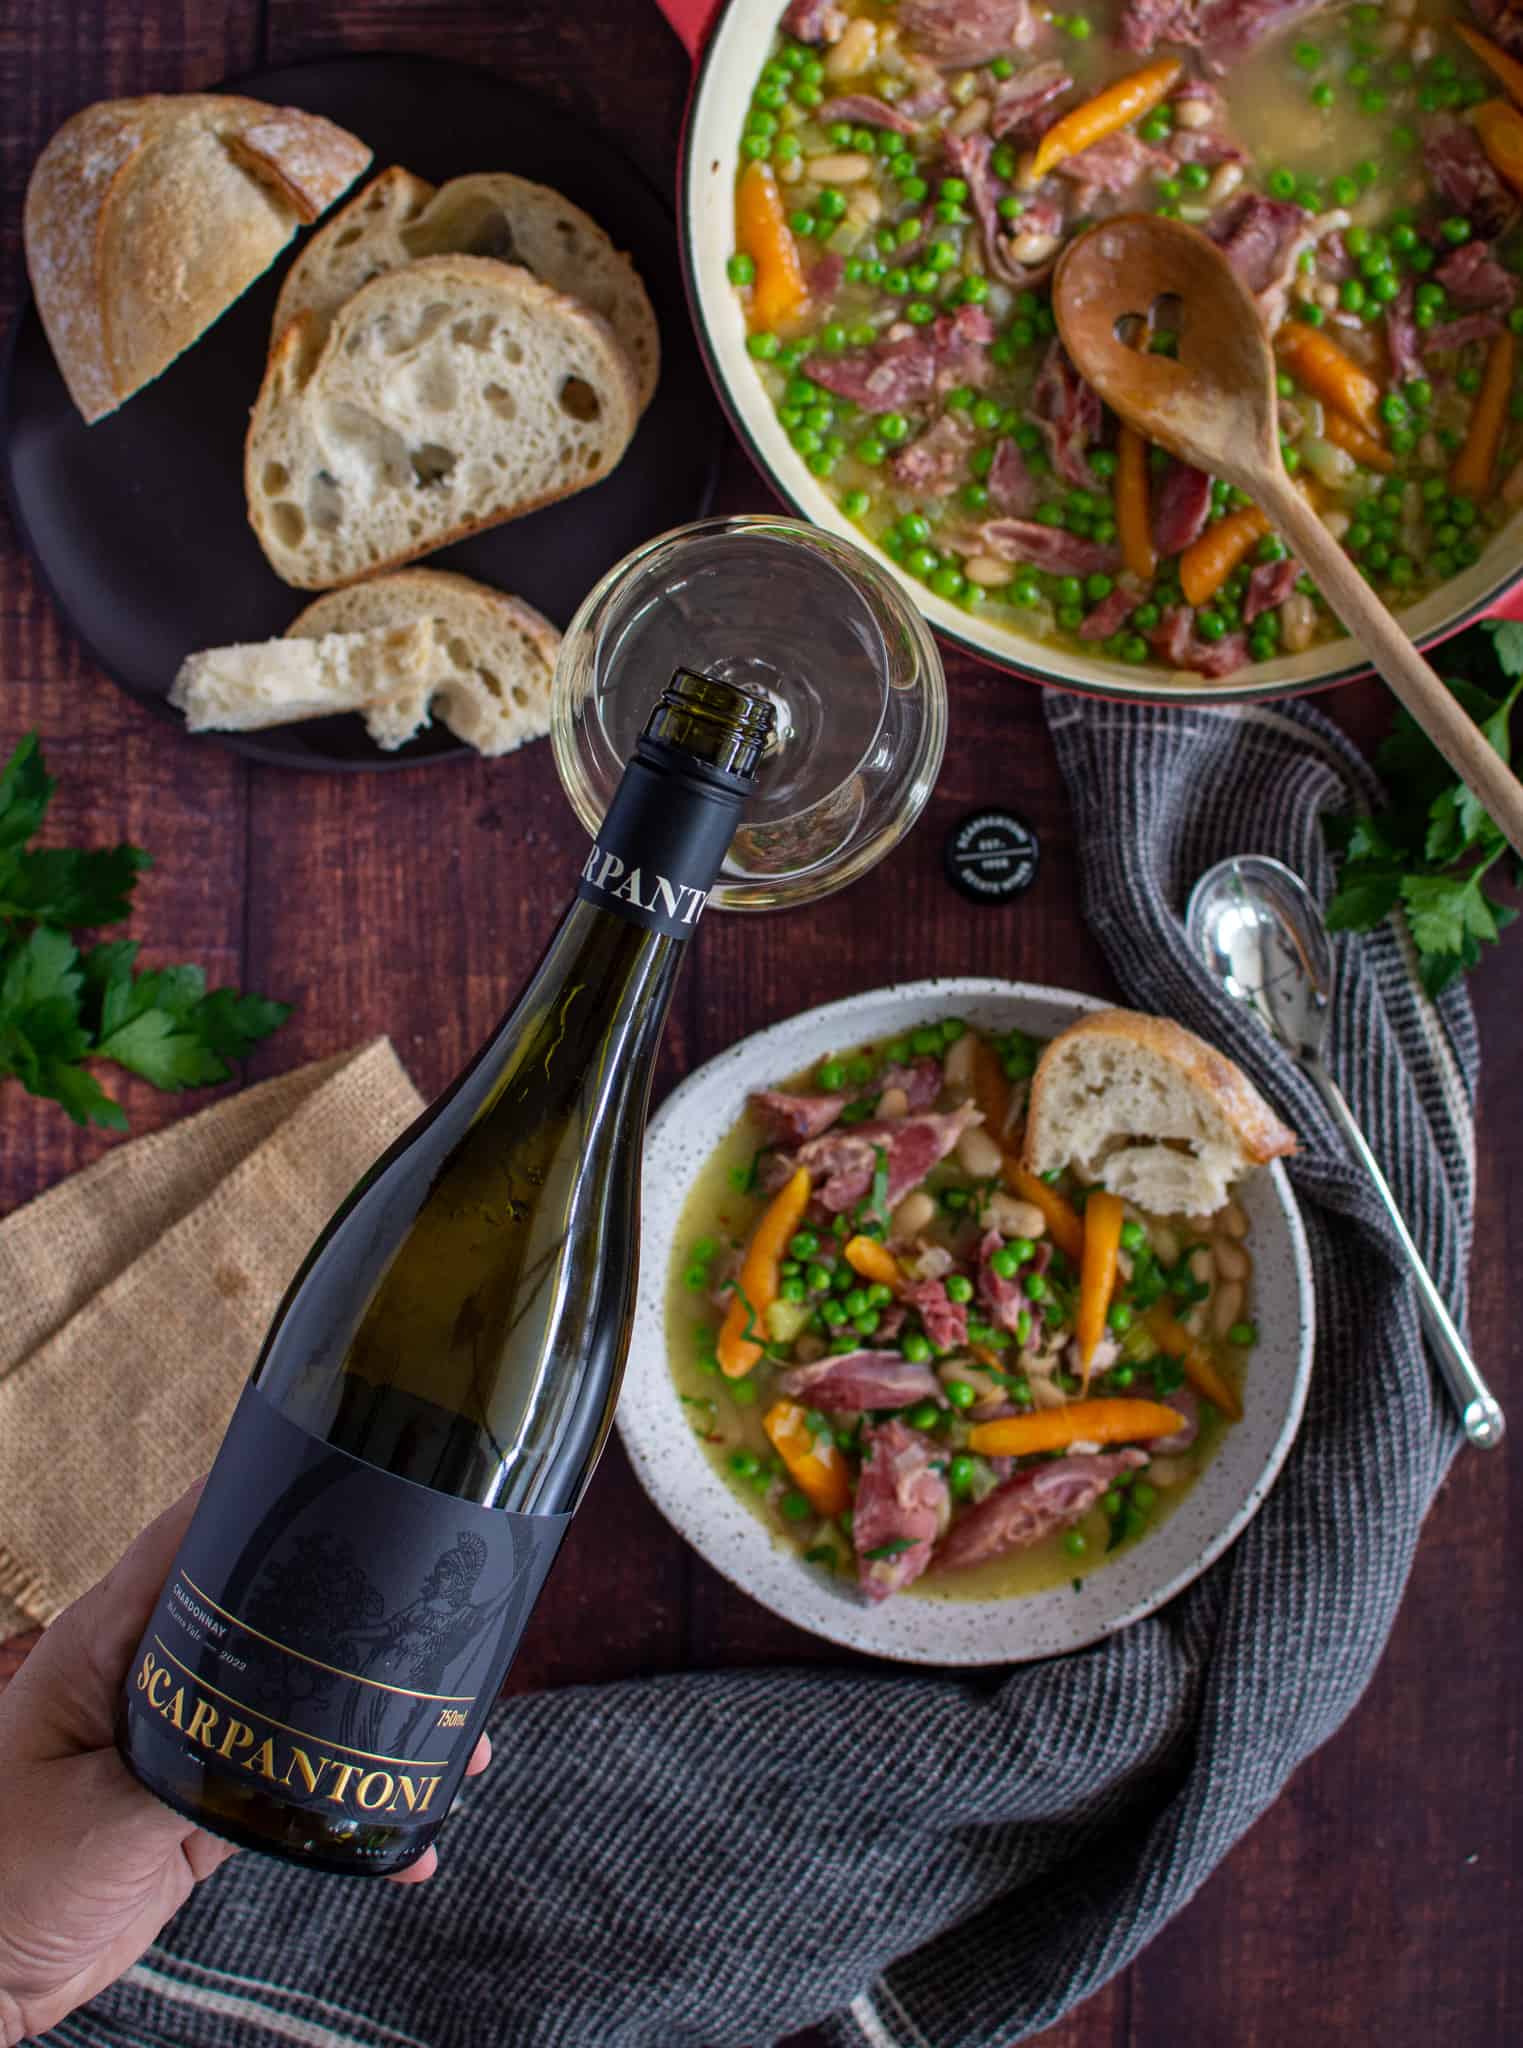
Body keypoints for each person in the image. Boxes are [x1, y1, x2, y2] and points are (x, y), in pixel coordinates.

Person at [0, 1486, 490, 2047]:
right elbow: (375, 1632)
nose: (434, 1578)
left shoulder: (457, 1615)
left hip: (393, 1704)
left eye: (445, 1571)